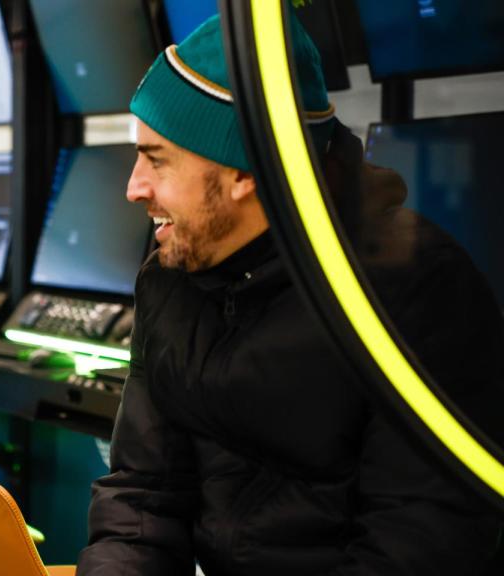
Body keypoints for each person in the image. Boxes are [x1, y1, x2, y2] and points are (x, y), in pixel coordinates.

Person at [77, 14, 504, 576]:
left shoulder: (417, 289)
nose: (134, 187)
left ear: (244, 172)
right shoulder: (171, 275)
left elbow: (417, 544)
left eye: (157, 159)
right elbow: (141, 494)